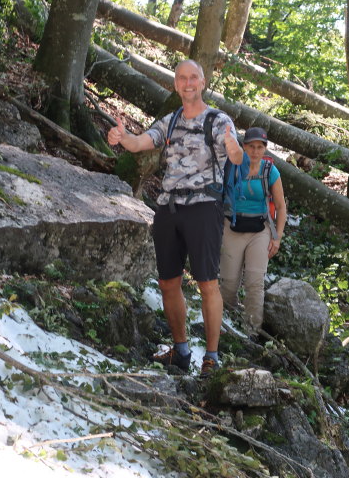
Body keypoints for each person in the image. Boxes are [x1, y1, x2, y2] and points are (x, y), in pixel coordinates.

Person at [107, 59, 243, 377]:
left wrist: (234, 147)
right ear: (175, 84)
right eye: (181, 78)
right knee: (169, 282)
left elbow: (235, 157)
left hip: (204, 208)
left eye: (193, 77)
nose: (187, 83)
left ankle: (211, 357)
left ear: (203, 81)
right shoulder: (171, 120)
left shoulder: (219, 120)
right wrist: (123, 137)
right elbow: (143, 142)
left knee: (207, 283)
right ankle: (181, 352)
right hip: (168, 207)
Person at [219, 127, 287, 337]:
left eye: (260, 147)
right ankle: (227, 325)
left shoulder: (269, 171)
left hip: (260, 230)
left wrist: (278, 237)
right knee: (228, 284)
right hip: (232, 227)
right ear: (243, 147)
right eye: (251, 147)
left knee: (255, 283)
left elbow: (281, 206)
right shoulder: (231, 167)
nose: (255, 151)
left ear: (265, 149)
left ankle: (251, 332)